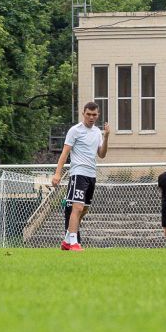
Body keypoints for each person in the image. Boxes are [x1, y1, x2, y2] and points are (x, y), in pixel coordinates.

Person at [51, 101, 109, 251]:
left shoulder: (97, 132)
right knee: (77, 207)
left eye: (94, 115)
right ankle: (74, 242)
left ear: (98, 115)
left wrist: (107, 136)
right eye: (88, 114)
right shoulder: (75, 130)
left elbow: (101, 154)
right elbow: (65, 153)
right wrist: (58, 173)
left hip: (91, 175)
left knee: (84, 209)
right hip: (78, 173)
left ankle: (66, 241)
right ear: (83, 114)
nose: (91, 117)